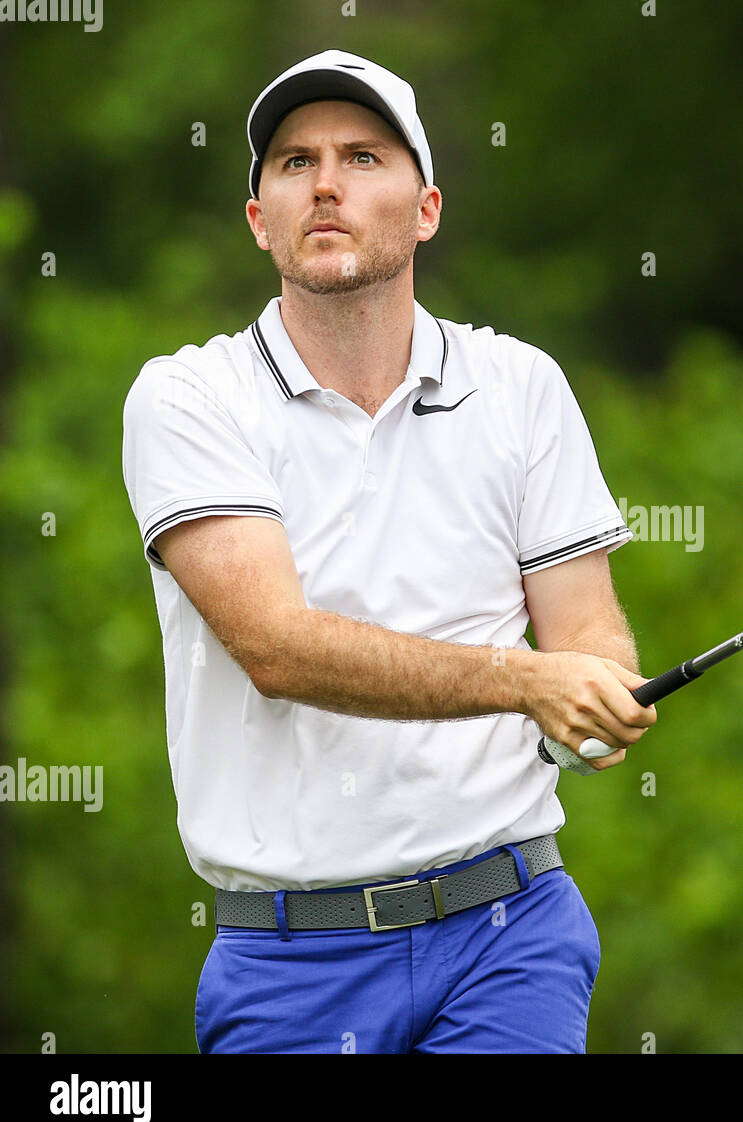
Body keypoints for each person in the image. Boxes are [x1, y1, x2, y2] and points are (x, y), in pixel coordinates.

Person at [120, 48, 655, 1053]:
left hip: (511, 929)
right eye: (292, 162)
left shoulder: (522, 383)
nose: (325, 182)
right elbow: (275, 647)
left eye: (364, 156)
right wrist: (530, 681)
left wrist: (590, 711)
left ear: (426, 209)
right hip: (289, 962)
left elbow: (588, 634)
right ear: (258, 219)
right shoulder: (186, 398)